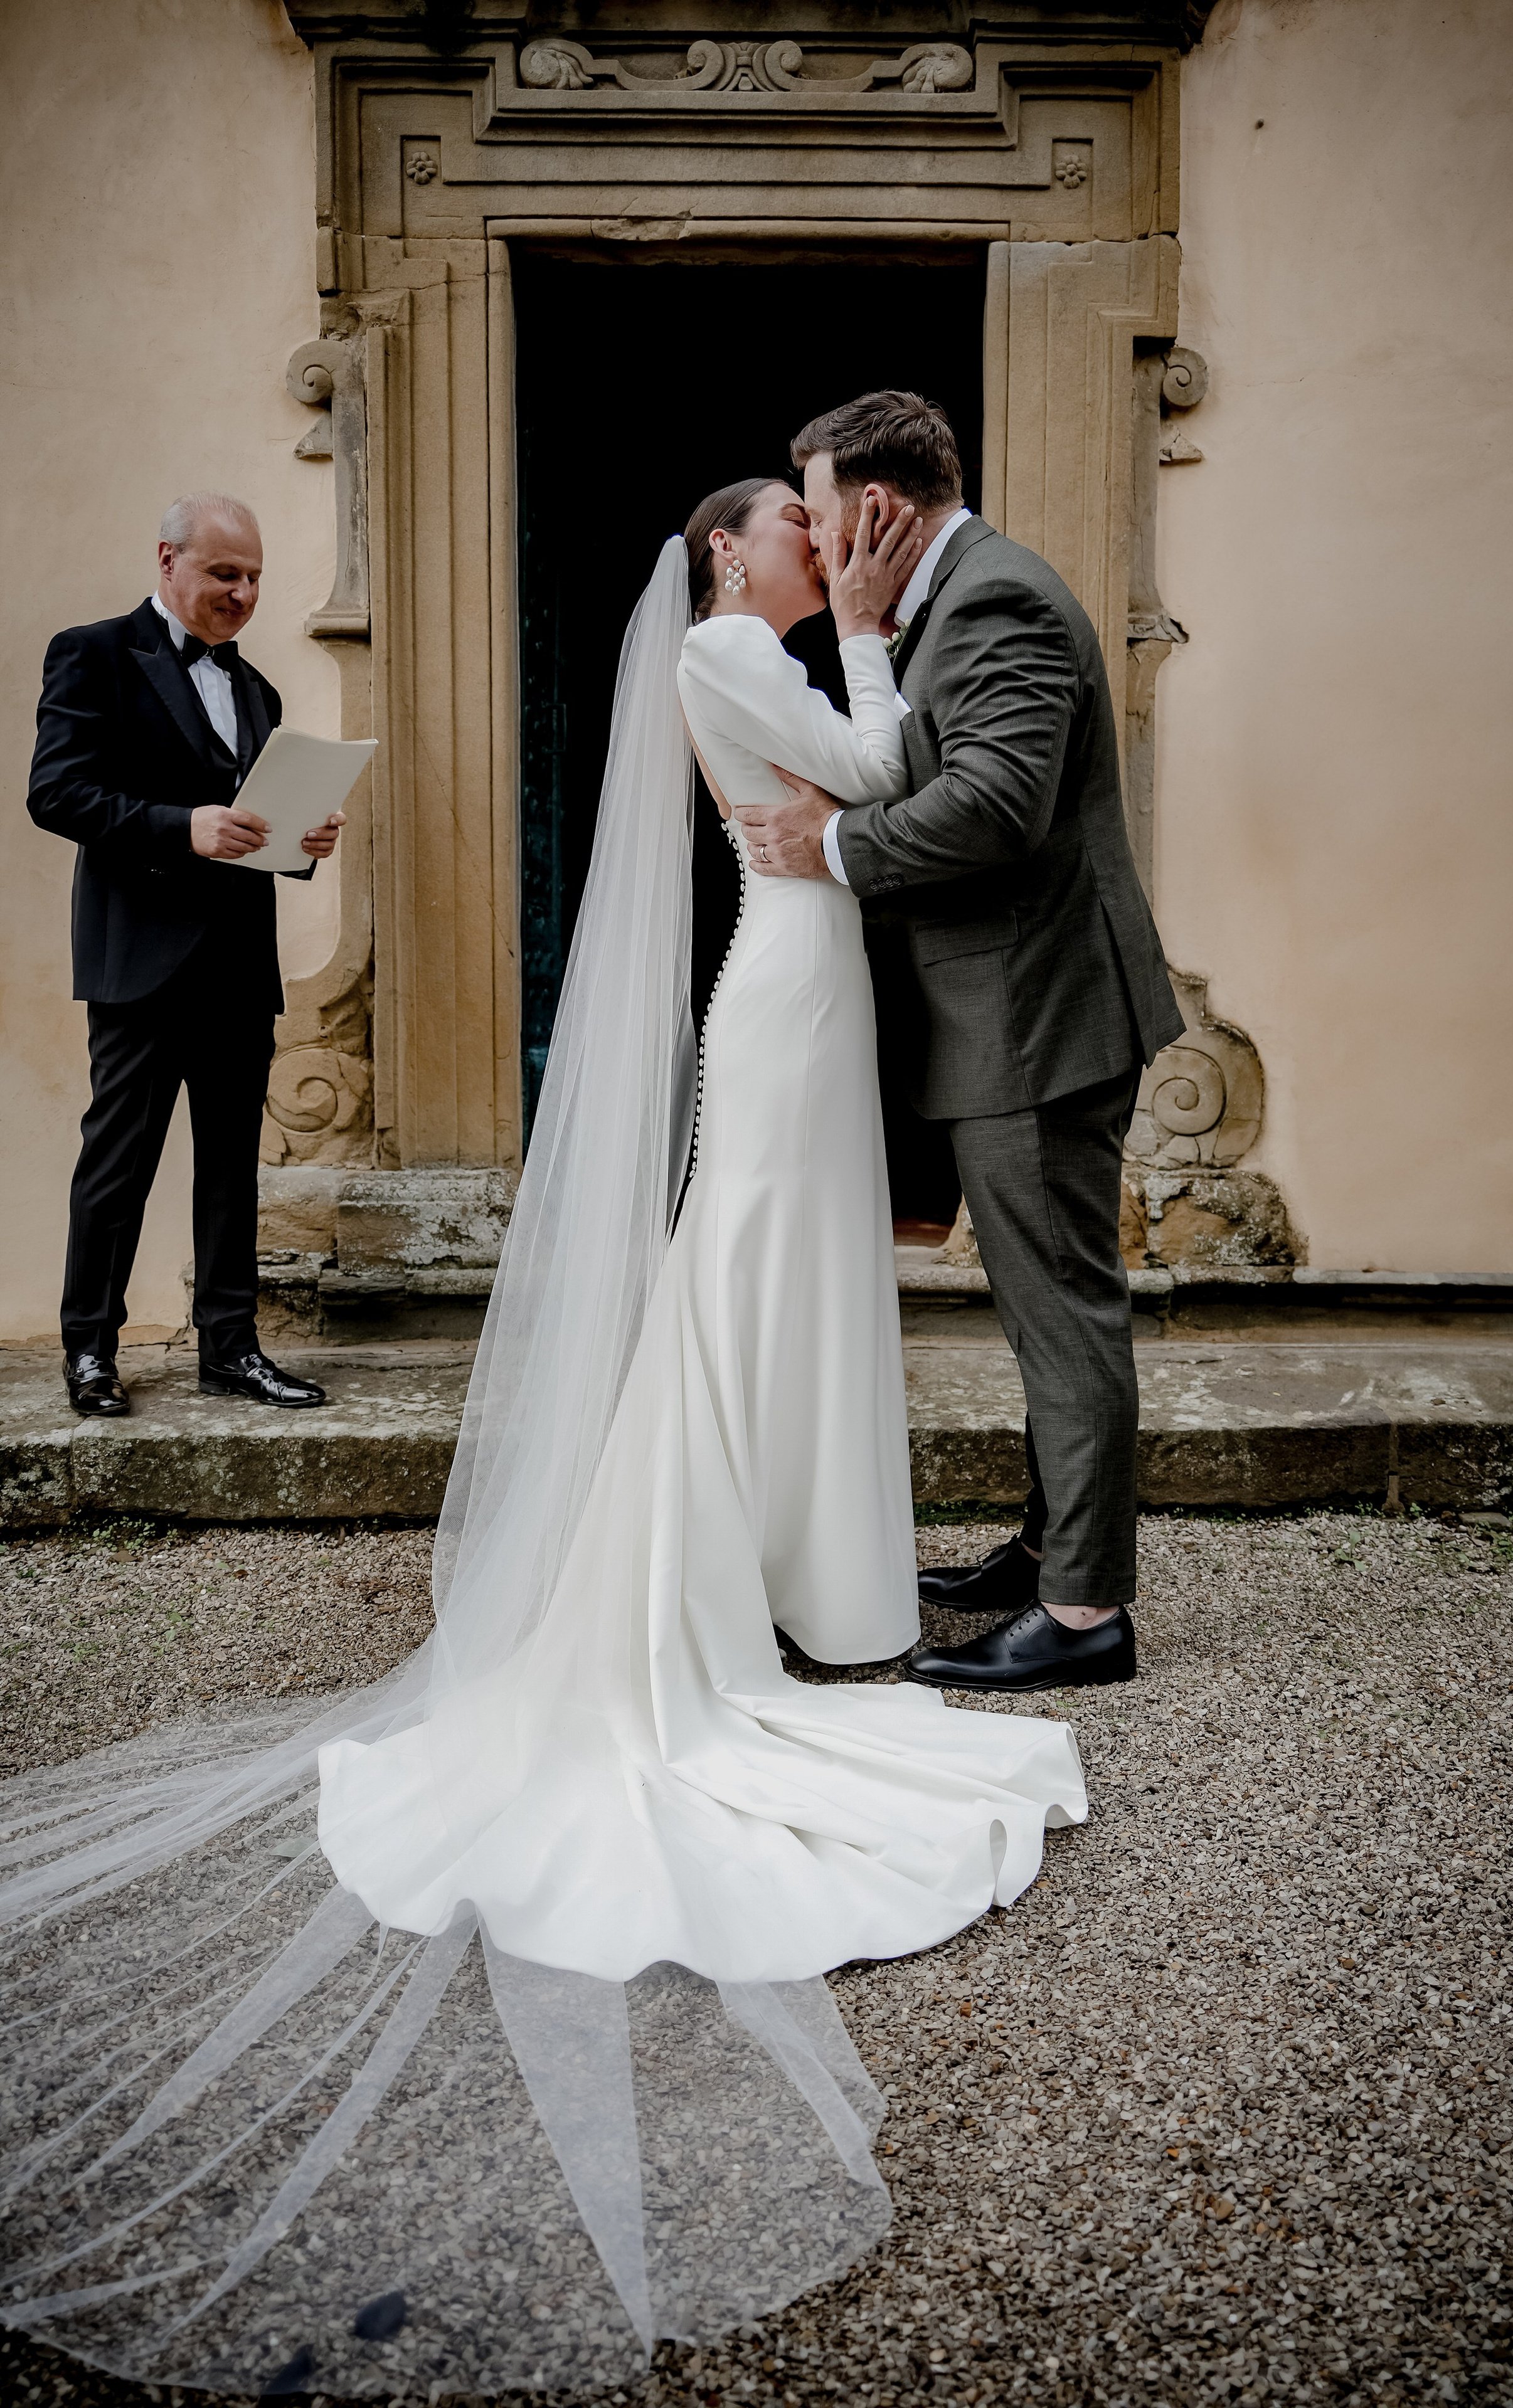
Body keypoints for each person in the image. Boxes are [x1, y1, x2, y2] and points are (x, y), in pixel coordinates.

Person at [0, 482, 1083, 2398]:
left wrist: (846, 754)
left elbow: (870, 784)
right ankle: (727, 1572)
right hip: (780, 983)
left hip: (813, 975)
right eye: (789, 532)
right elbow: (875, 758)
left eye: (820, 538)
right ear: (732, 552)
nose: (813, 550)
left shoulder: (750, 634)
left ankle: (799, 1567)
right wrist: (850, 639)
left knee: (787, 1283)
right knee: (742, 1278)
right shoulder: (737, 642)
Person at [735, 391, 1186, 1696]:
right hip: (1008, 1009)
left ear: (876, 505)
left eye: (816, 510)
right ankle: (1049, 1544)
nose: (812, 541)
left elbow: (993, 805)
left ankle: (1084, 1614)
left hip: (1038, 1016)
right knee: (1039, 1305)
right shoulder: (940, 604)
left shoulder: (999, 600)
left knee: (1060, 1312)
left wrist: (823, 844)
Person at [28, 494, 344, 1416]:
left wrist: (298, 840)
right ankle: (90, 1350)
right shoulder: (92, 653)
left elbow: (247, 829)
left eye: (252, 579)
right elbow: (58, 794)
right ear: (167, 561)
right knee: (117, 1160)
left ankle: (230, 1349)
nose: (242, 593)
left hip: (239, 965)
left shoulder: (258, 691)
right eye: (224, 574)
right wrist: (183, 827)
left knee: (230, 1165)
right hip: (140, 959)